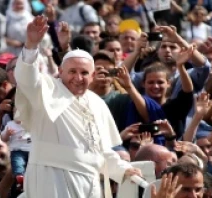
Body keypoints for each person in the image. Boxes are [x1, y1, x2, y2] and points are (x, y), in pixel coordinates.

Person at [15, 16, 141, 198]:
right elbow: (27, 78)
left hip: (89, 181)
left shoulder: (96, 102)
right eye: (72, 71)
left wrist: (122, 168)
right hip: (51, 177)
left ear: (93, 76)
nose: (78, 78)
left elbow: (100, 148)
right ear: (60, 71)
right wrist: (31, 45)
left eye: (84, 73)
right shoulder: (46, 90)